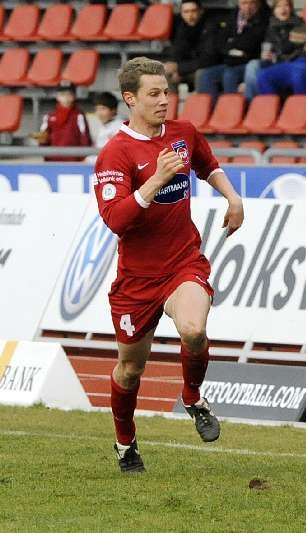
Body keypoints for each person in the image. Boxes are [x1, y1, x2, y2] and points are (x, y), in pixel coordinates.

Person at [93, 57, 244, 473]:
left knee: (194, 329)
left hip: (183, 263)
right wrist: (156, 180)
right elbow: (116, 220)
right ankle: (126, 444)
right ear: (130, 99)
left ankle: (193, 397)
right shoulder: (115, 153)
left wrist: (232, 197)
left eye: (167, 92)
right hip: (137, 279)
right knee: (130, 369)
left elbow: (207, 164)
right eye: (154, 94)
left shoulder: (183, 133)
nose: (165, 101)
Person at [197, 0, 269, 101]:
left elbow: (249, 44)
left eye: (251, 3)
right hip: (230, 61)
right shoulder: (233, 16)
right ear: (239, 4)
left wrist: (231, 44)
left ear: (258, 4)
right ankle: (212, 111)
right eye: (244, 3)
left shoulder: (264, 19)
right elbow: (219, 42)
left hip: (249, 62)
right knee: (206, 75)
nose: (248, 7)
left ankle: (233, 112)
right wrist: (231, 48)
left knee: (229, 74)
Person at [242, 0, 303, 100]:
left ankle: (264, 103)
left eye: (286, 6)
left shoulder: (299, 25)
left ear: (291, 9)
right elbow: (267, 45)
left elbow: (300, 51)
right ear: (274, 10)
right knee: (253, 65)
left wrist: (277, 57)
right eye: (279, 7)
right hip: (272, 62)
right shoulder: (271, 26)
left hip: (290, 63)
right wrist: (265, 55)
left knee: (262, 75)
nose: (283, 9)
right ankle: (251, 104)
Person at [163, 0, 217, 91]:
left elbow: (208, 60)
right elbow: (177, 51)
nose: (190, 16)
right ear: (181, 13)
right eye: (186, 12)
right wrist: (176, 69)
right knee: (165, 72)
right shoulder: (180, 26)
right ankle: (169, 104)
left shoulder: (211, 27)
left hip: (206, 69)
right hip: (186, 68)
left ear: (201, 11)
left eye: (193, 11)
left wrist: (179, 68)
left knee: (201, 74)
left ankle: (199, 104)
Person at [32, 82, 92, 162]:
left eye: (69, 94)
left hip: (73, 161)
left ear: (74, 96)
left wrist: (81, 159)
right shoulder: (49, 117)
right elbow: (43, 139)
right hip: (52, 161)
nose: (66, 98)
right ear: (57, 97)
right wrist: (41, 140)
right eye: (62, 95)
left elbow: (85, 139)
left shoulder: (79, 116)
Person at [85, 91, 124, 164]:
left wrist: (88, 160)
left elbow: (111, 155)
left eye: (103, 109)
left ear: (113, 110)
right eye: (97, 109)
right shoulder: (103, 127)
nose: (99, 113)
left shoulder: (120, 128)